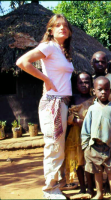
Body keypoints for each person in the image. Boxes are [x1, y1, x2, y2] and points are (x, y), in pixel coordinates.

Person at [16, 14, 73, 199]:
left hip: (62, 102)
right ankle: (50, 189)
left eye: (65, 25)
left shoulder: (61, 50)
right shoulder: (48, 46)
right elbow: (22, 62)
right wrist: (45, 79)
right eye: (57, 25)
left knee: (59, 146)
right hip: (53, 103)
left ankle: (57, 183)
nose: (62, 28)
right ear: (50, 30)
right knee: (54, 146)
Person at [81, 77, 111, 199]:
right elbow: (86, 128)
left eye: (106, 89)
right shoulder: (92, 108)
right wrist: (85, 145)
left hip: (110, 146)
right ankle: (99, 193)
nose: (103, 92)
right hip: (94, 147)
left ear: (110, 91)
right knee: (97, 172)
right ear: (94, 91)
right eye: (100, 89)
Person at [62, 71, 94, 196]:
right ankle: (82, 187)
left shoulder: (94, 99)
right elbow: (66, 115)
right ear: (76, 85)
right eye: (81, 82)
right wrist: (75, 120)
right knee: (78, 163)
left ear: (91, 84)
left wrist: (84, 123)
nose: (84, 85)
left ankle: (91, 187)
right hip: (75, 136)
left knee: (88, 162)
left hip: (90, 135)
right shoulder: (73, 99)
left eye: (87, 82)